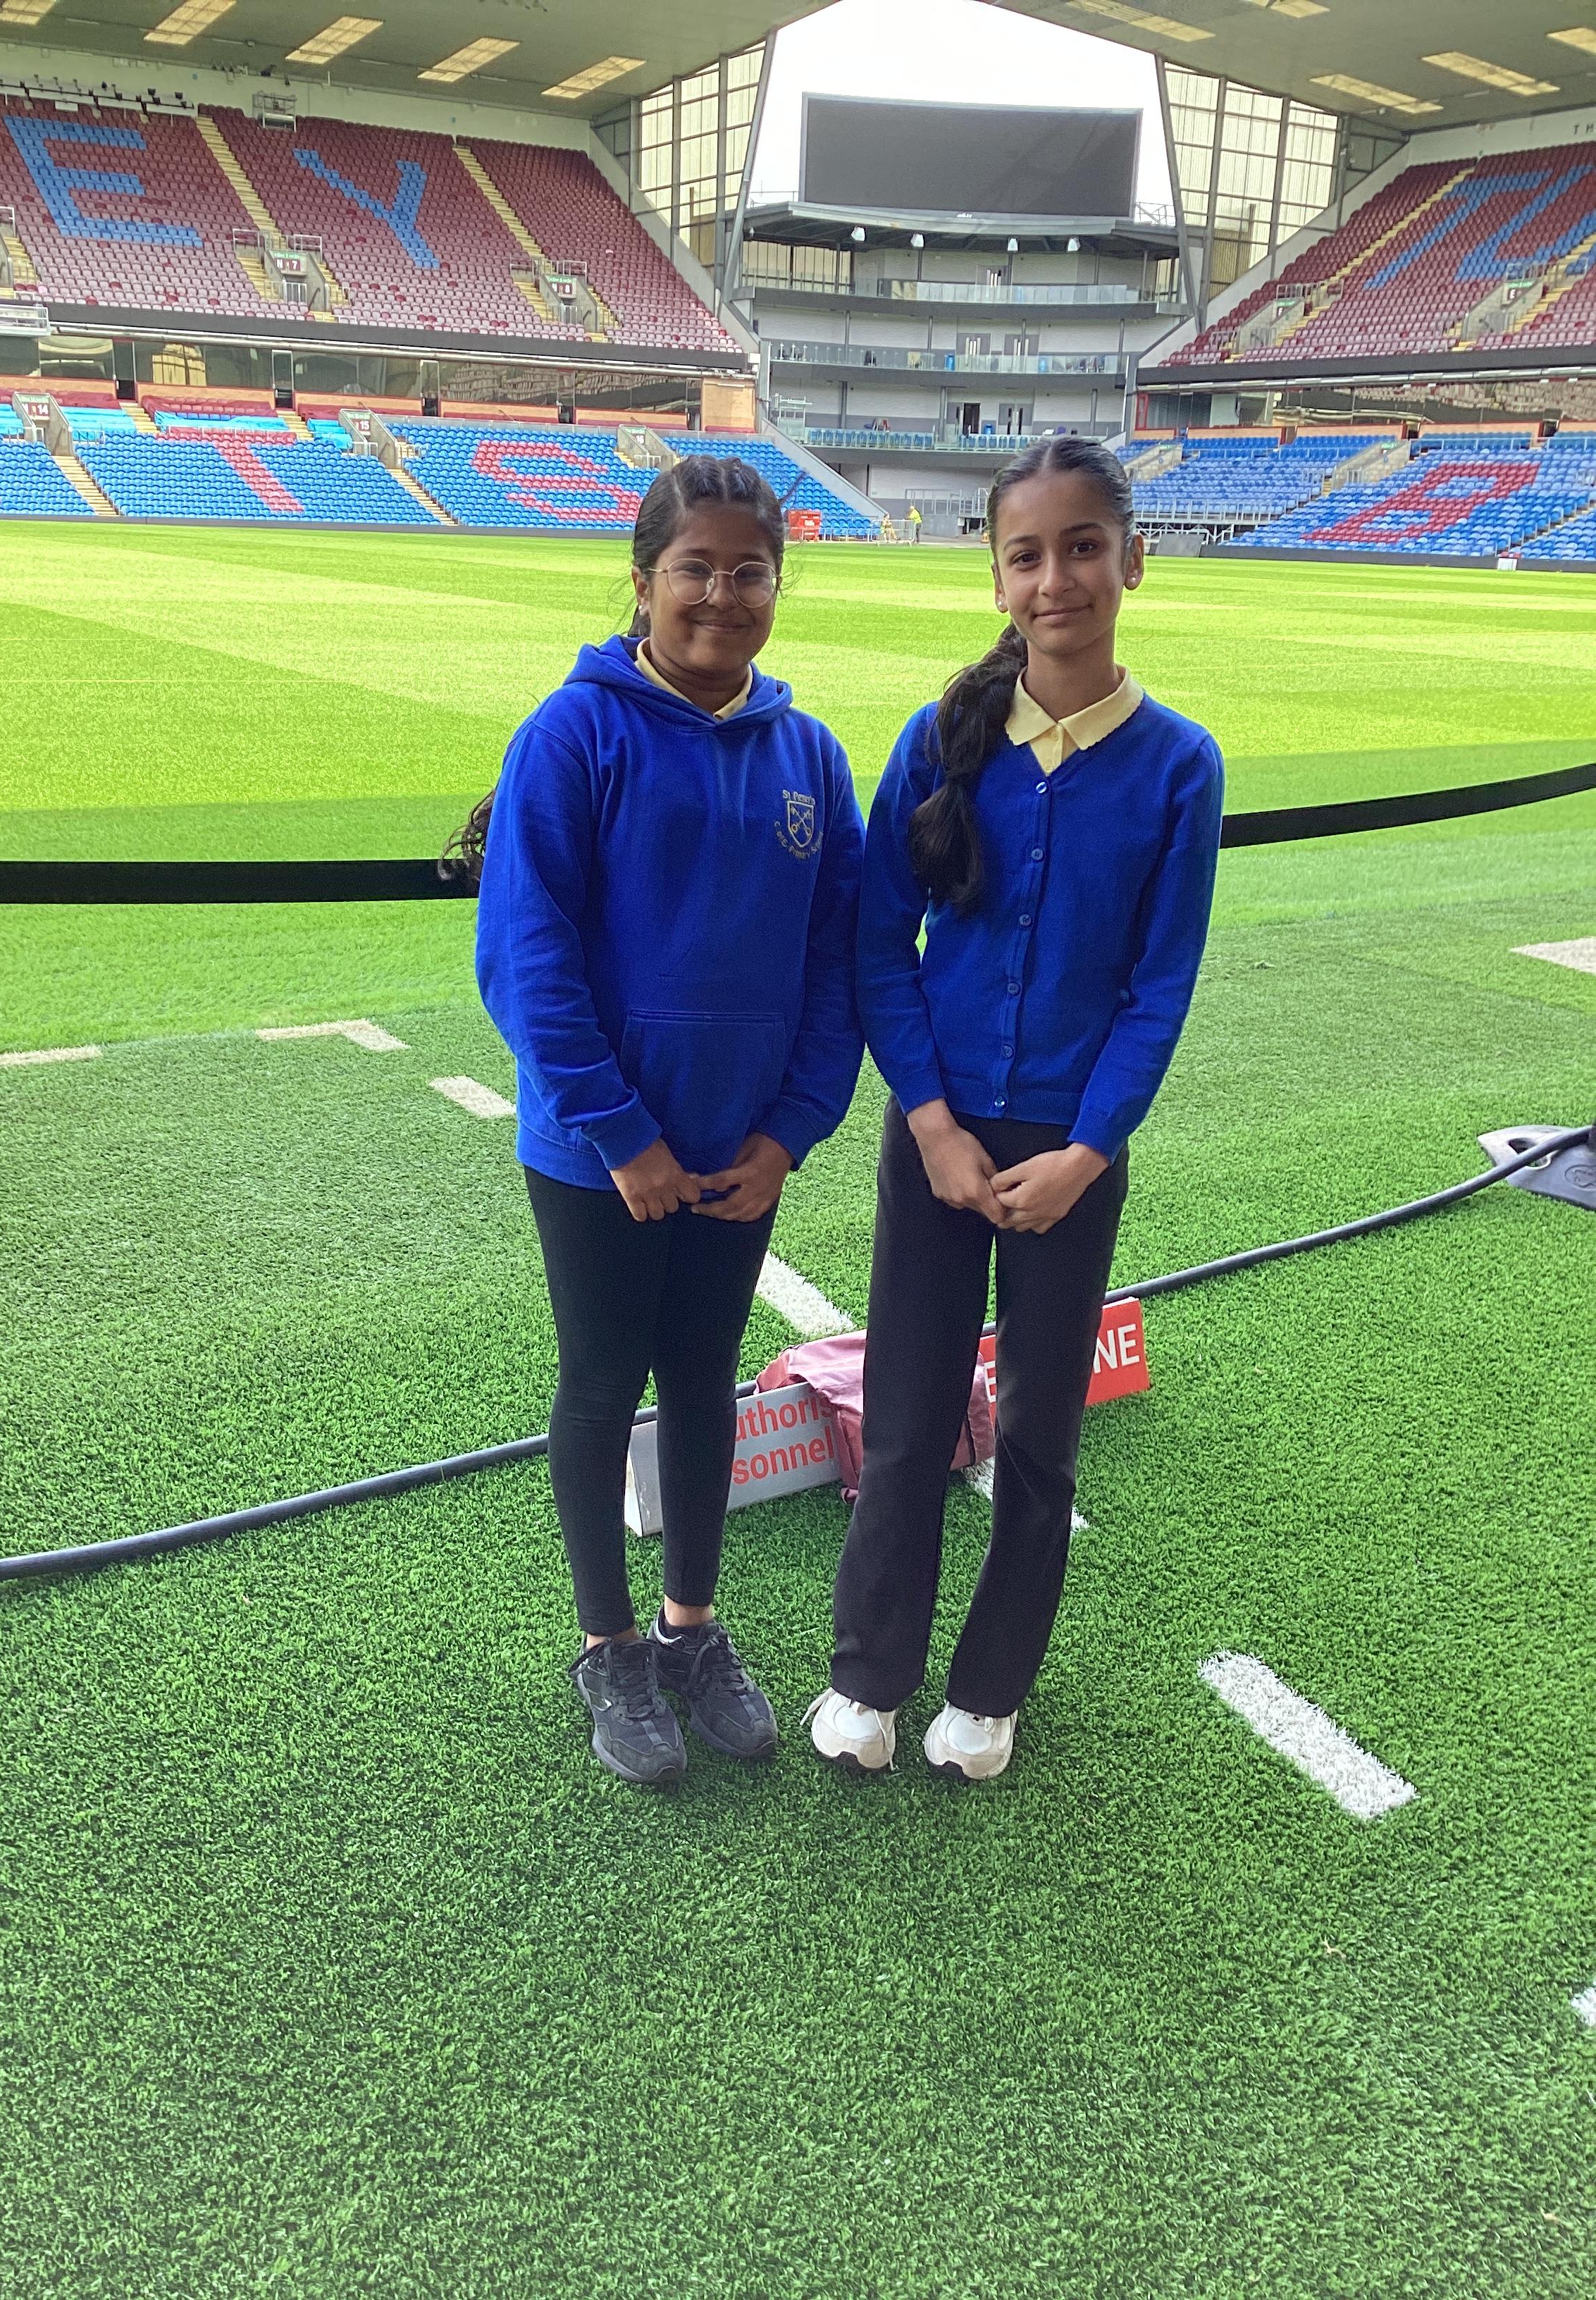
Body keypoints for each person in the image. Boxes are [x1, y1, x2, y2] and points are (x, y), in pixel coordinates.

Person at [806, 436, 1223, 1783]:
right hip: (934, 1141)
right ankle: (869, 1673)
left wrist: (1088, 1153)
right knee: (908, 1417)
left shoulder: (1180, 765)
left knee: (1041, 1435)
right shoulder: (940, 743)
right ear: (996, 578)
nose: (1057, 580)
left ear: (1132, 561)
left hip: (1071, 1156)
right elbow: (880, 946)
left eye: (1083, 548)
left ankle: (990, 1693)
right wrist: (931, 1123)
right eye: (1028, 555)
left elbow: (1157, 990)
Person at [469, 457, 865, 1788]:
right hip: (600, 1158)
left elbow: (839, 966)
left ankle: (692, 1629)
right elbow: (527, 961)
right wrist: (620, 1134)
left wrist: (790, 1132)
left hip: (741, 1154)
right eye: (696, 568)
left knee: (704, 1380)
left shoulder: (811, 756)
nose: (722, 595)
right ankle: (611, 1648)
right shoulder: (572, 736)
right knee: (601, 1383)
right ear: (644, 582)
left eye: (751, 572)